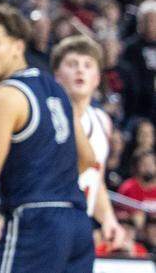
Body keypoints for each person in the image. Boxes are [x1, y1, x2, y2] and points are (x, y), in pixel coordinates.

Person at [0, 5, 96, 272]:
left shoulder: (5, 96)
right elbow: (88, 158)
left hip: (35, 221)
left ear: (17, 46)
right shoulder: (57, 89)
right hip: (77, 224)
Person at [50, 35, 127, 249]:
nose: (80, 70)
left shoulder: (102, 120)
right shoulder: (46, 117)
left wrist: (108, 219)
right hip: (47, 224)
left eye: (87, 65)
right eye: (72, 64)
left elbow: (95, 179)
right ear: (57, 76)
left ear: (97, 79)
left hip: (80, 227)